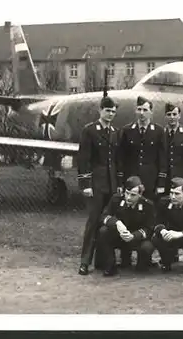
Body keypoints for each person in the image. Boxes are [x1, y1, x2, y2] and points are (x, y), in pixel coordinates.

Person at [77, 95, 120, 275]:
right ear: (100, 111)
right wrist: (85, 184)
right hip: (95, 184)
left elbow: (116, 160)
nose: (110, 114)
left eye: (113, 111)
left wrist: (117, 184)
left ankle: (103, 261)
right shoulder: (90, 131)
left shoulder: (114, 132)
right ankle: (85, 261)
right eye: (107, 110)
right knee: (93, 222)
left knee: (107, 224)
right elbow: (84, 159)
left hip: (111, 184)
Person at [96, 176, 156, 276]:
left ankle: (142, 265)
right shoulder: (116, 199)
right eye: (127, 193)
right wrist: (116, 223)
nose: (128, 197)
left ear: (140, 194)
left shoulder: (148, 205)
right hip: (120, 236)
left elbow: (149, 228)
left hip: (136, 239)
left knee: (147, 247)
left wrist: (134, 236)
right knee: (103, 231)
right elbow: (103, 216)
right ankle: (110, 265)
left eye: (133, 195)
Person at [117, 95, 167, 202]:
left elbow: (162, 158)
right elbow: (121, 157)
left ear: (151, 112)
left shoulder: (159, 131)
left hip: (150, 181)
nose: (142, 113)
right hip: (131, 179)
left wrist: (161, 183)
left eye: (145, 110)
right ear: (135, 111)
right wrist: (120, 181)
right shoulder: (127, 130)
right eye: (139, 109)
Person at [162, 103, 183, 195]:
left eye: (174, 114)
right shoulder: (161, 133)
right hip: (165, 179)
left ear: (179, 116)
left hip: (182, 178)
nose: (172, 117)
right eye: (169, 114)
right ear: (165, 116)